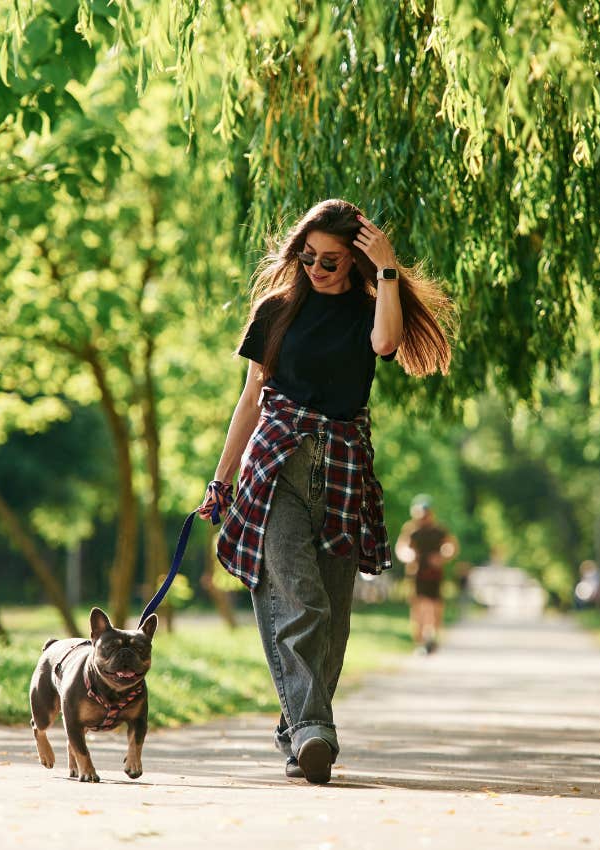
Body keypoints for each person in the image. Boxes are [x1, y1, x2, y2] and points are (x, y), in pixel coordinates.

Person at [197, 198, 454, 785]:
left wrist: (386, 266)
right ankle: (315, 730)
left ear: (355, 261)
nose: (316, 268)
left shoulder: (370, 310)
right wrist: (222, 478)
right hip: (276, 466)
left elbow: (387, 343)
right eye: (308, 256)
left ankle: (299, 733)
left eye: (331, 260)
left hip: (344, 469)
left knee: (334, 621)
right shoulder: (275, 312)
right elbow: (250, 397)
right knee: (301, 600)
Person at [396, 495, 458, 654]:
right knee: (418, 607)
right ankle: (420, 641)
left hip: (435, 575)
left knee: (435, 607)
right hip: (416, 575)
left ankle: (432, 637)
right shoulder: (411, 529)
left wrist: (442, 557)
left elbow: (451, 547)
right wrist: (408, 554)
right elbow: (401, 548)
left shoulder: (439, 530)